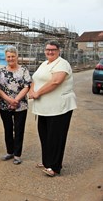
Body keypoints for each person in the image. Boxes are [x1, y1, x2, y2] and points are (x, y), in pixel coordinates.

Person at [28, 40, 77, 177]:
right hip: (43, 108)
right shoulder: (44, 64)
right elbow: (34, 79)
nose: (50, 52)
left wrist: (37, 93)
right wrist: (32, 91)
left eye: (53, 50)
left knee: (56, 137)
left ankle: (55, 167)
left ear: (58, 51)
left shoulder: (62, 63)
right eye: (48, 49)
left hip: (59, 108)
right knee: (44, 135)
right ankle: (46, 161)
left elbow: (56, 81)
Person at [0, 46, 31, 165]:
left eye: (13, 56)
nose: (11, 58)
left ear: (17, 56)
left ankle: (17, 154)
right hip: (5, 105)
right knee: (8, 129)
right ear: (5, 58)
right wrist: (8, 100)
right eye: (8, 57)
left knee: (19, 129)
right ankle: (10, 151)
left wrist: (16, 100)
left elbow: (27, 86)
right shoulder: (1, 72)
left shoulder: (24, 70)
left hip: (20, 105)